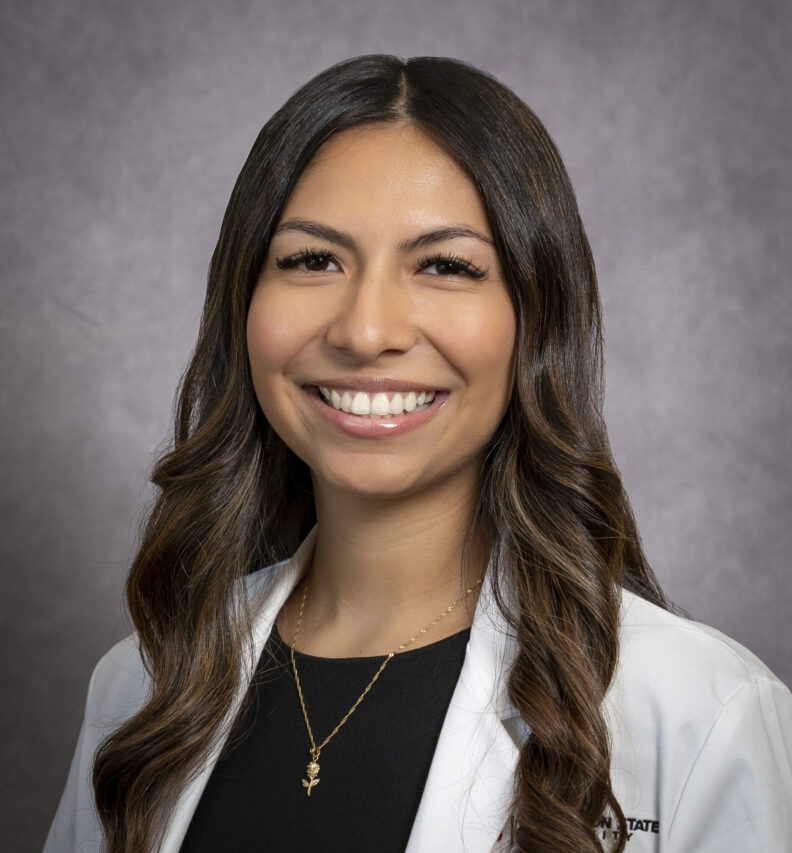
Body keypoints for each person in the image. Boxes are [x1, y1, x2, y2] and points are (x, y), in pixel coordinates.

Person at [43, 54, 792, 853]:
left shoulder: (700, 711)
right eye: (312, 260)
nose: (367, 331)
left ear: (536, 318)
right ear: (244, 301)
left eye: (445, 265)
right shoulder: (141, 687)